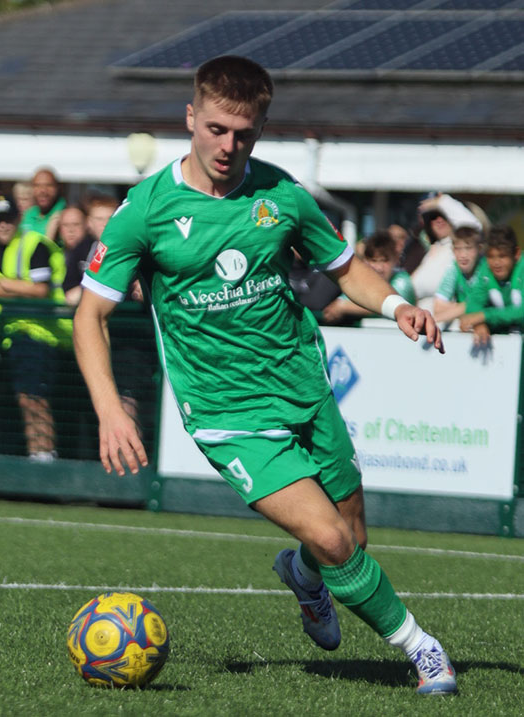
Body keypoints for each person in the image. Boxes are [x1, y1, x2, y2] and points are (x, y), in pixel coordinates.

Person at [73, 55, 454, 696]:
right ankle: (423, 650)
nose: (229, 145)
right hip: (227, 412)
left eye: (244, 132)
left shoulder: (281, 196)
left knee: (350, 537)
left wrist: (398, 305)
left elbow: (343, 267)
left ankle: (303, 578)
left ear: (262, 126)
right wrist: (111, 410)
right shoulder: (146, 210)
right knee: (334, 540)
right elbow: (91, 317)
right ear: (191, 117)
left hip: (303, 386)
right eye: (217, 128)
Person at [0, 195, 70, 461]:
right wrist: (19, 287)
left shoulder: (34, 245)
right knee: (20, 398)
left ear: (18, 219)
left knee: (33, 397)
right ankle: (34, 452)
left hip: (40, 334)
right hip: (9, 336)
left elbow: (40, 290)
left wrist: (4, 285)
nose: (3, 225)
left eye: (8, 219)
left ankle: (44, 454)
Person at [322, 230, 415, 324]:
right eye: (374, 260)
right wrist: (336, 308)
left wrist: (344, 307)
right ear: (365, 261)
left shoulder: (402, 280)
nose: (379, 268)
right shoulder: (360, 279)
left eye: (384, 261)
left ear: (395, 260)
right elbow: (336, 306)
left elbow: (393, 306)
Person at [410, 193, 482, 311]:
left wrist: (441, 201)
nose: (439, 220)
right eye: (433, 217)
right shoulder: (429, 250)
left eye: (443, 215)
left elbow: (473, 227)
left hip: (448, 322)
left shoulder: (457, 245)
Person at [460, 224, 524, 346]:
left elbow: (521, 312)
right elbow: (473, 304)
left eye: (502, 256)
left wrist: (485, 316)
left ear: (516, 254)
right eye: (491, 256)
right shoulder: (486, 270)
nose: (496, 263)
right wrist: (479, 325)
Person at [433, 226, 486, 326]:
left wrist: (436, 319)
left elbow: (481, 304)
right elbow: (438, 308)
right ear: (453, 250)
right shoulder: (453, 269)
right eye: (458, 249)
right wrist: (465, 308)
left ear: (479, 249)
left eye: (468, 248)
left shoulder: (486, 268)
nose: (463, 255)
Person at [59, 204, 95, 306]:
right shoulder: (52, 252)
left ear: (86, 226)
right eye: (65, 225)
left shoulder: (94, 254)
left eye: (76, 224)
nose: (71, 230)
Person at [20, 168, 66, 241]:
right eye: (37, 185)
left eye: (49, 185)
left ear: (58, 188)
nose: (43, 191)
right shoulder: (29, 214)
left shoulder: (66, 215)